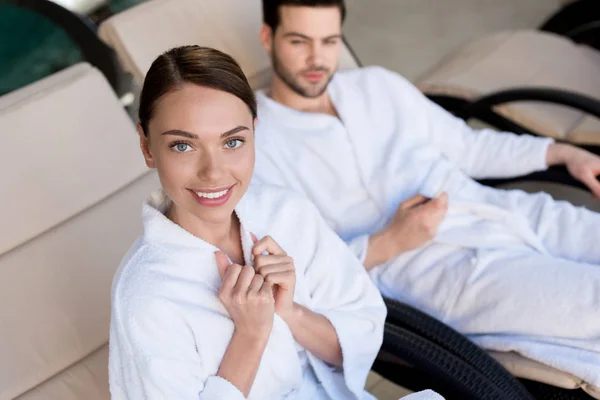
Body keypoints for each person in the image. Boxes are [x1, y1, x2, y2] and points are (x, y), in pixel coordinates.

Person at [252, 0, 600, 386]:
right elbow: (300, 271)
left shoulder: (376, 85)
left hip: (500, 211)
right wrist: (389, 242)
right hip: (441, 274)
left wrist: (560, 152)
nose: (318, 59)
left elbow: (468, 146)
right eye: (300, 42)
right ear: (269, 37)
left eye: (330, 41)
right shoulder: (259, 143)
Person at [107, 45, 430, 400]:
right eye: (183, 146)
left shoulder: (286, 213)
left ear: (254, 133)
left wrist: (290, 312)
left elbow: (358, 342)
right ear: (147, 147)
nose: (214, 173)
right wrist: (250, 336)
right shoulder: (147, 294)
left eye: (233, 141)